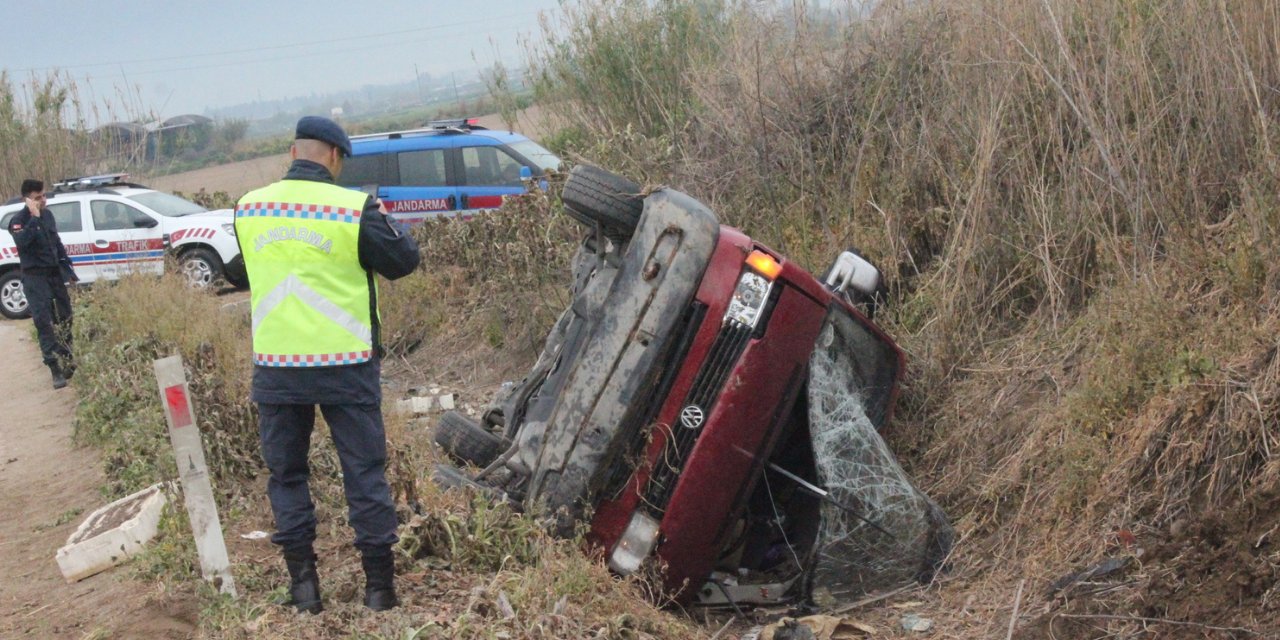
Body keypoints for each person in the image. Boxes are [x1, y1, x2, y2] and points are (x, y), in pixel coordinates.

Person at [234, 116, 420, 613]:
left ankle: (304, 590)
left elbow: (241, 266)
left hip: (277, 367)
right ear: (335, 157)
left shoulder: (249, 208)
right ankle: (380, 591)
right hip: (346, 364)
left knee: (287, 476)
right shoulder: (353, 209)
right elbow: (404, 261)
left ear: (293, 153)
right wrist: (383, 218)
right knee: (364, 474)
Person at [6, 179, 77, 389]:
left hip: (54, 274)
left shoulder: (48, 215)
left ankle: (67, 358)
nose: (42, 200)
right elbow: (23, 242)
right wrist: (34, 219)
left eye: (43, 196)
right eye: (37, 198)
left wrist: (69, 270)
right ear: (26, 199)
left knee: (65, 317)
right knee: (43, 321)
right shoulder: (18, 221)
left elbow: (56, 243)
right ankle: (54, 366)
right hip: (35, 277)